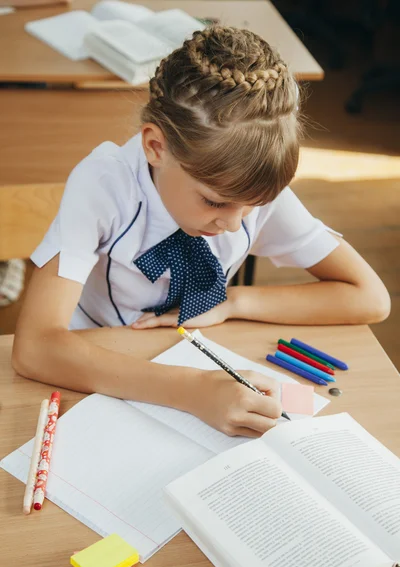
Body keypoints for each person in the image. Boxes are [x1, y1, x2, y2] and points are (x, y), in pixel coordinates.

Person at [12, 27, 390, 438]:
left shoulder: (248, 192)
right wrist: (193, 392)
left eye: (253, 206)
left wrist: (233, 301)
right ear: (156, 147)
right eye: (214, 202)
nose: (233, 223)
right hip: (96, 361)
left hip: (193, 356)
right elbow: (35, 347)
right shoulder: (103, 185)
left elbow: (370, 297)